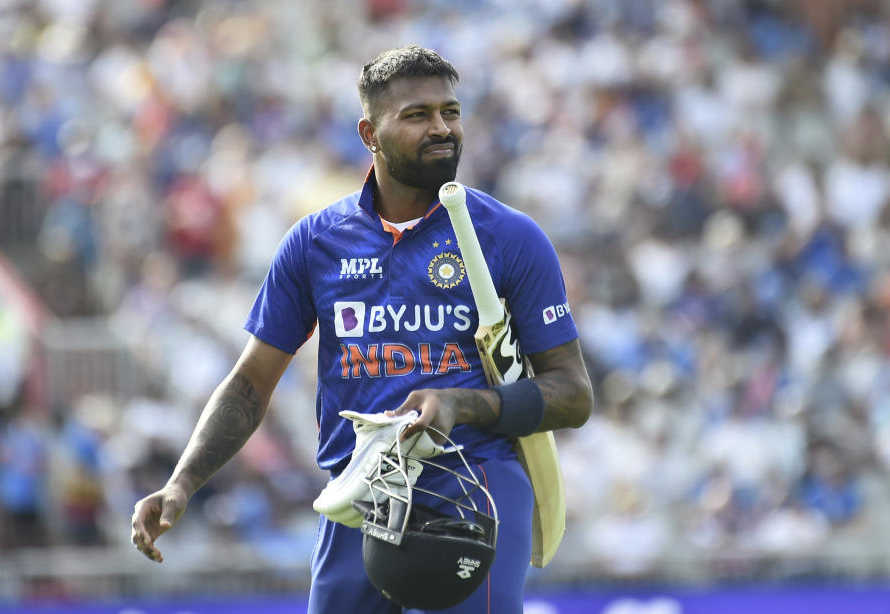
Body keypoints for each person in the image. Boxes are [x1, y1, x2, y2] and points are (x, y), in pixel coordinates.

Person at [131, 45, 593, 613]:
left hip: (475, 487)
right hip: (358, 496)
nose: (442, 128)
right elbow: (251, 382)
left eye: (450, 111)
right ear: (369, 133)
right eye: (417, 115)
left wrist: (463, 405)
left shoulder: (512, 238)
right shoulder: (315, 242)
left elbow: (572, 395)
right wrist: (181, 483)